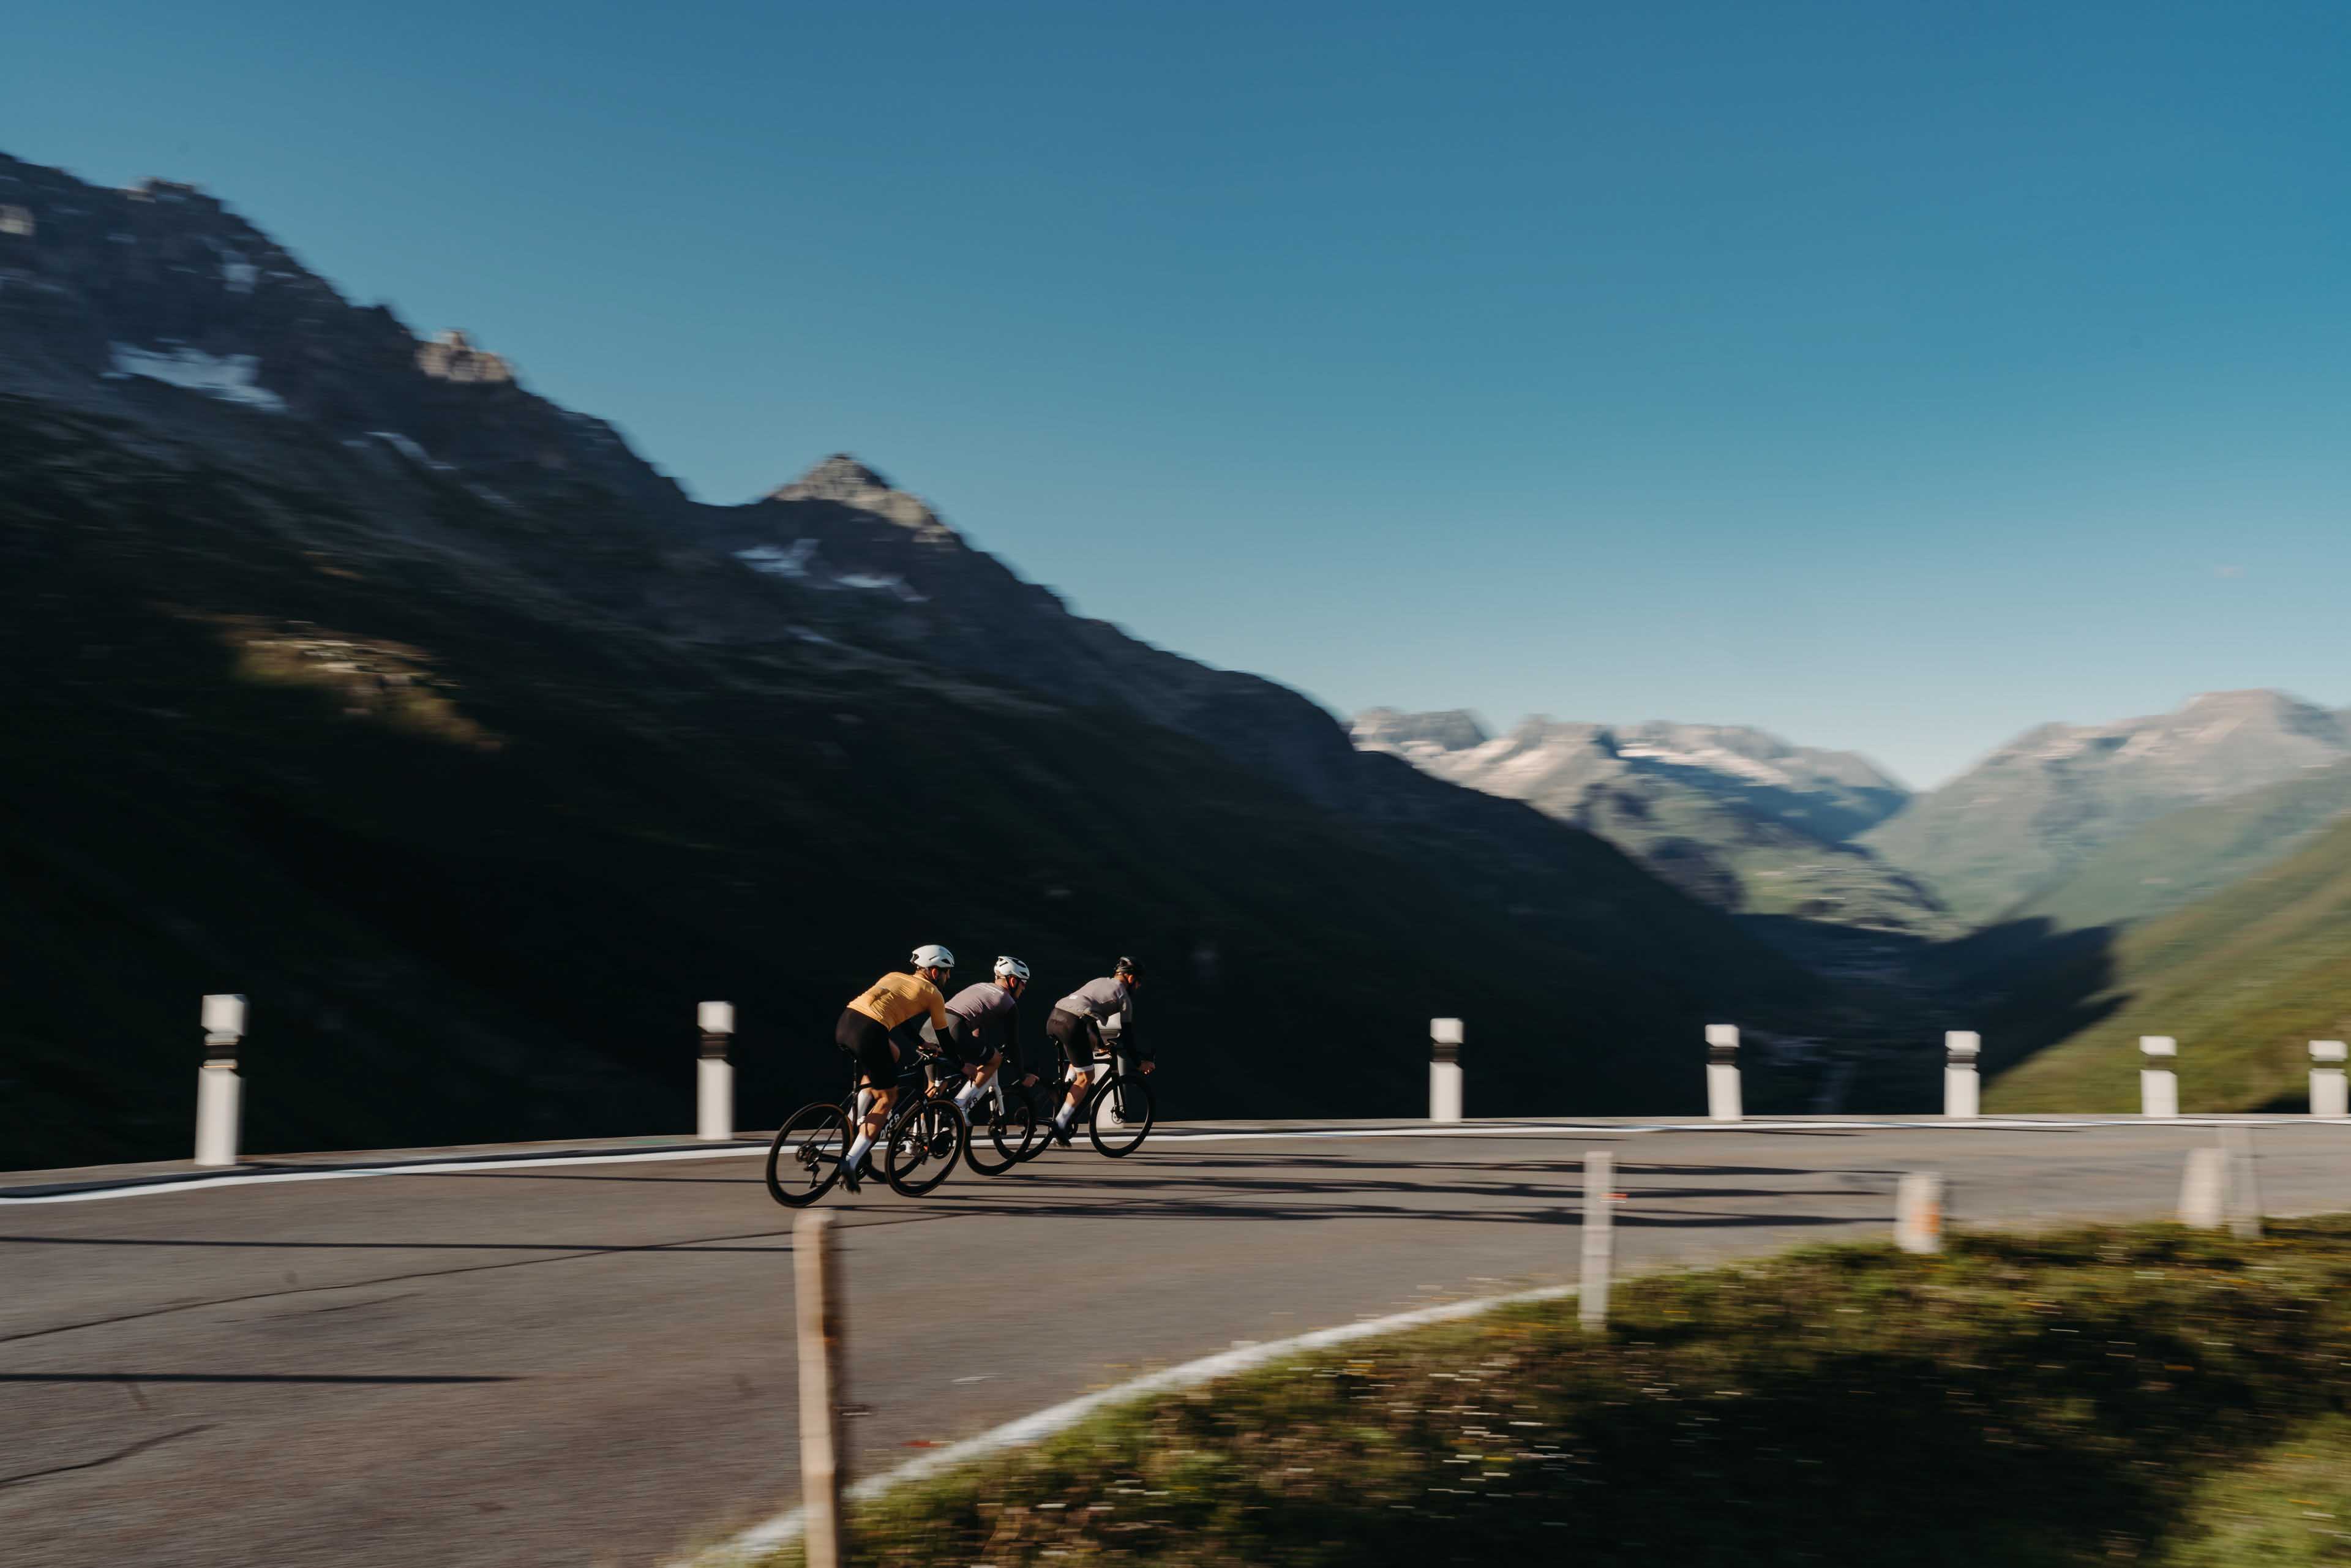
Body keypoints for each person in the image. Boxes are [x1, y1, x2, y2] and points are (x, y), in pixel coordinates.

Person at [834, 944, 956, 1190]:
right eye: (946, 972)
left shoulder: (893, 976)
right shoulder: (933, 994)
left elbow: (901, 1019)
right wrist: (960, 1063)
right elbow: (944, 1036)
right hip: (871, 1033)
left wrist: (921, 1043)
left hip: (846, 1023)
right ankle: (851, 1161)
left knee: (893, 1053)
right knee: (888, 1098)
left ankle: (852, 1118)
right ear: (935, 972)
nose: (948, 977)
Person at [1043, 957, 1150, 1146]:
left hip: (1054, 1017)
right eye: (1139, 982)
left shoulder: (1100, 981)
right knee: (1087, 1078)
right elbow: (1128, 1036)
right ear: (1131, 978)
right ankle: (1060, 1125)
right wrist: (1139, 1063)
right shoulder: (1124, 998)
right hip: (1072, 1024)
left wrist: (1100, 1044)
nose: (1139, 987)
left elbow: (1089, 1016)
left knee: (1083, 1054)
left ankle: (1064, 1090)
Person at [942, 956, 1039, 1113]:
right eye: (1023, 983)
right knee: (995, 1060)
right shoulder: (1006, 1001)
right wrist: (1022, 1076)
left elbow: (977, 1028)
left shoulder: (980, 987)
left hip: (930, 1028)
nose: (1024, 988)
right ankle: (959, 1107)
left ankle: (919, 1125)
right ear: (1013, 982)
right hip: (955, 1031)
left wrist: (974, 1059)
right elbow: (1013, 1043)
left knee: (935, 1087)